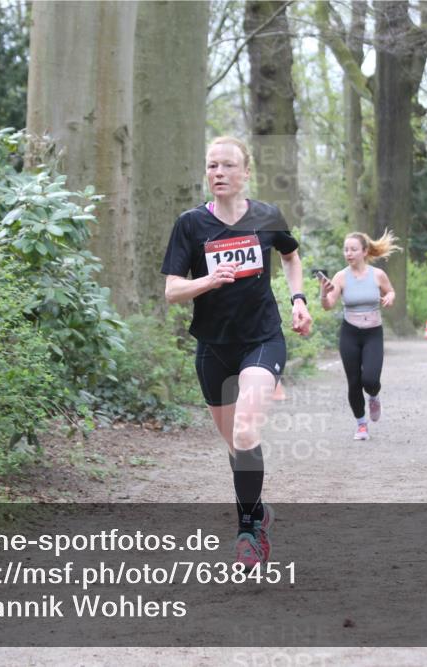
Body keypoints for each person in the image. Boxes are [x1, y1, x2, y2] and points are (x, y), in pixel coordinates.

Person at [161, 136, 313, 567]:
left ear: (246, 172)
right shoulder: (190, 224)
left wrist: (298, 300)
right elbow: (172, 291)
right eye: (212, 166)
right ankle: (260, 510)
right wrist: (207, 281)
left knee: (247, 431)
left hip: (263, 339)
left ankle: (247, 529)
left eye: (228, 166)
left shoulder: (267, 216)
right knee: (236, 447)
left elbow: (291, 256)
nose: (219, 173)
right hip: (213, 348)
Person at [318, 231, 399, 441]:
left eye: (353, 249)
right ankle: (361, 424)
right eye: (346, 249)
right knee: (353, 382)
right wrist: (323, 293)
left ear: (364, 251)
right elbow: (328, 305)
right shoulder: (340, 277)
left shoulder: (377, 274)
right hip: (350, 333)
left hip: (373, 333)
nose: (349, 253)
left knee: (370, 379)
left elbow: (390, 291)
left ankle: (373, 395)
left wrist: (389, 297)